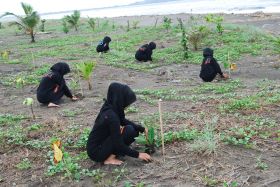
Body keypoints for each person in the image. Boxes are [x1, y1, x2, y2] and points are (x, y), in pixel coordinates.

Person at [86, 82, 151, 165]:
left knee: (133, 130)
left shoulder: (110, 106)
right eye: (126, 101)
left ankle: (111, 153)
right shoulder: (111, 116)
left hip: (101, 144)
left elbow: (122, 120)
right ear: (120, 99)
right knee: (129, 131)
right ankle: (109, 159)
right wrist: (138, 155)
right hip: (97, 152)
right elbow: (118, 143)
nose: (127, 105)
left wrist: (141, 128)